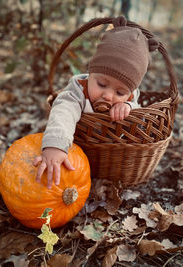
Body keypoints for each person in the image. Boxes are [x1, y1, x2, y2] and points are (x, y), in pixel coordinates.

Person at [33, 16, 159, 189]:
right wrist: (56, 145)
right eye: (101, 84)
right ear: (90, 72)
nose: (108, 96)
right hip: (79, 153)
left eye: (120, 92)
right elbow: (63, 112)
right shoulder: (78, 91)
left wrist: (128, 107)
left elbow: (140, 113)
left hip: (117, 162)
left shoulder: (129, 97)